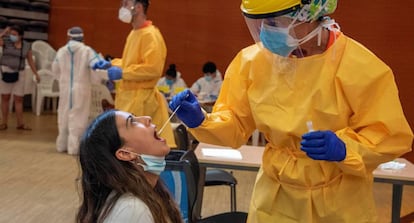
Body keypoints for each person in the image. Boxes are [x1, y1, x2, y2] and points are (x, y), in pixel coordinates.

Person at [169, 0, 414, 222]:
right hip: (275, 198)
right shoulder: (253, 62)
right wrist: (202, 120)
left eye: (273, 21)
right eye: (259, 21)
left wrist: (345, 148)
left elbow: (390, 135)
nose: (265, 30)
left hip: (340, 202)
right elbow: (235, 124)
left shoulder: (360, 66)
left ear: (308, 13)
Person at [93, 0, 176, 148]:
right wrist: (112, 64)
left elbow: (152, 69)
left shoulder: (150, 35)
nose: (121, 8)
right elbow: (131, 62)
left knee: (139, 149)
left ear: (137, 7)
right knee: (125, 146)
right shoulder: (134, 33)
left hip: (142, 101)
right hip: (128, 98)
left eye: (125, 3)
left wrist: (123, 73)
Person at [76, 109, 183, 223]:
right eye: (132, 122)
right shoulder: (133, 209)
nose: (147, 118)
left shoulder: (148, 191)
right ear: (125, 153)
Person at [52, 26, 102, 155]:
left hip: (65, 87)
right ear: (82, 37)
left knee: (63, 114)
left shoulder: (61, 51)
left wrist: (62, 80)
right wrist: (96, 80)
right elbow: (97, 67)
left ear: (69, 37)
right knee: (79, 115)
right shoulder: (87, 51)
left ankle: (61, 145)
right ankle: (74, 148)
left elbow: (55, 70)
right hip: (82, 87)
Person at [0, 25, 40, 131]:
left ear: (21, 36)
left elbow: (30, 60)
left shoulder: (27, 45)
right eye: (11, 34)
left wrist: (36, 73)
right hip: (5, 72)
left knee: (19, 98)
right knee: (5, 98)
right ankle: (3, 122)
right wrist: (4, 33)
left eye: (14, 35)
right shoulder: (6, 41)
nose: (12, 36)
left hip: (20, 73)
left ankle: (20, 123)